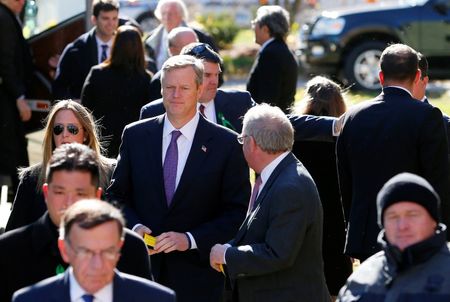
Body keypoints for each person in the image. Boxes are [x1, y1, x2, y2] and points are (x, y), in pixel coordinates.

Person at [106, 55, 251, 302]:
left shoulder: (226, 144)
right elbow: (116, 196)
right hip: (141, 273)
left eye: (184, 88)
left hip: (198, 278)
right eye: (169, 87)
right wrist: (136, 228)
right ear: (161, 90)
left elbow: (237, 212)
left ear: (199, 89)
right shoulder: (135, 135)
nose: (176, 95)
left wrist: (190, 239)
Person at [337, 43, 450, 261]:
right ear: (418, 76)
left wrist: (351, 229)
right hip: (414, 233)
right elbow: (438, 182)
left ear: (380, 76)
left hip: (365, 233)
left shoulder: (353, 117)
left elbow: (346, 182)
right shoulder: (427, 116)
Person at [0, 143, 151, 302]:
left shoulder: (130, 248)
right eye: (60, 192)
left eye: (80, 193)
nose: (69, 203)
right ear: (46, 193)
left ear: (97, 196)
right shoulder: (10, 251)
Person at [210, 104, 329, 301]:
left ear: (252, 143)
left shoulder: (290, 188)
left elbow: (277, 253)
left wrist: (227, 255)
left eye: (242, 139)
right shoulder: (280, 174)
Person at [12, 199, 175, 302]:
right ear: (65, 250)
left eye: (107, 251)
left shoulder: (158, 299)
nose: (97, 265)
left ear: (119, 250)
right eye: (86, 252)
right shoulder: (29, 299)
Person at [337, 172, 450, 301]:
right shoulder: (360, 279)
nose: (402, 226)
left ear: (433, 220)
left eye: (412, 215)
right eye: (393, 216)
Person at [6, 100, 115, 231]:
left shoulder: (111, 173)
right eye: (58, 129)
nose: (64, 134)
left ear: (85, 134)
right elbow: (13, 235)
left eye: (72, 129)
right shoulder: (31, 178)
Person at [291, 76, 351, 299]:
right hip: (337, 221)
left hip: (303, 217)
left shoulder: (294, 136)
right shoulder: (344, 136)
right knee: (335, 286)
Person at [141, 43, 256, 133]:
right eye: (207, 75)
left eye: (217, 74)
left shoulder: (240, 102)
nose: (214, 81)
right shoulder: (154, 112)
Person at [81, 25, 153, 158]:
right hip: (134, 146)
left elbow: (84, 110)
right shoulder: (147, 79)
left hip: (101, 144)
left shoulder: (97, 73)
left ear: (115, 45)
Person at [52, 0, 119, 100]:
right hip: (85, 112)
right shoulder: (75, 49)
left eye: (114, 18)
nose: (111, 23)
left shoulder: (126, 46)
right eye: (105, 18)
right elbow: (59, 88)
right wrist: (75, 105)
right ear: (94, 19)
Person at [0, 0, 34, 197]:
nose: (22, 1)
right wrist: (19, 96)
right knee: (13, 157)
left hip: (9, 97)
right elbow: (5, 62)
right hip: (6, 100)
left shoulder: (8, 16)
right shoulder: (3, 18)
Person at [246, 5, 298, 113]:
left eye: (255, 23)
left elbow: (267, 100)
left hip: (269, 124)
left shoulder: (270, 54)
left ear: (265, 29)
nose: (253, 27)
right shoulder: (282, 50)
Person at [145, 0, 217, 70]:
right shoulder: (150, 39)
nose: (167, 17)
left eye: (171, 14)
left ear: (181, 15)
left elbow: (215, 67)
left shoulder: (201, 37)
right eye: (163, 13)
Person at [147, 26, 199, 102]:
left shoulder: (204, 74)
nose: (194, 52)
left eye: (196, 47)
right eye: (187, 48)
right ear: (172, 50)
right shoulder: (159, 81)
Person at [412, 52, 450, 152]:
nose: (402, 85)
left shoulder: (444, 125)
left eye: (411, 79)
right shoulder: (372, 117)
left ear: (424, 81)